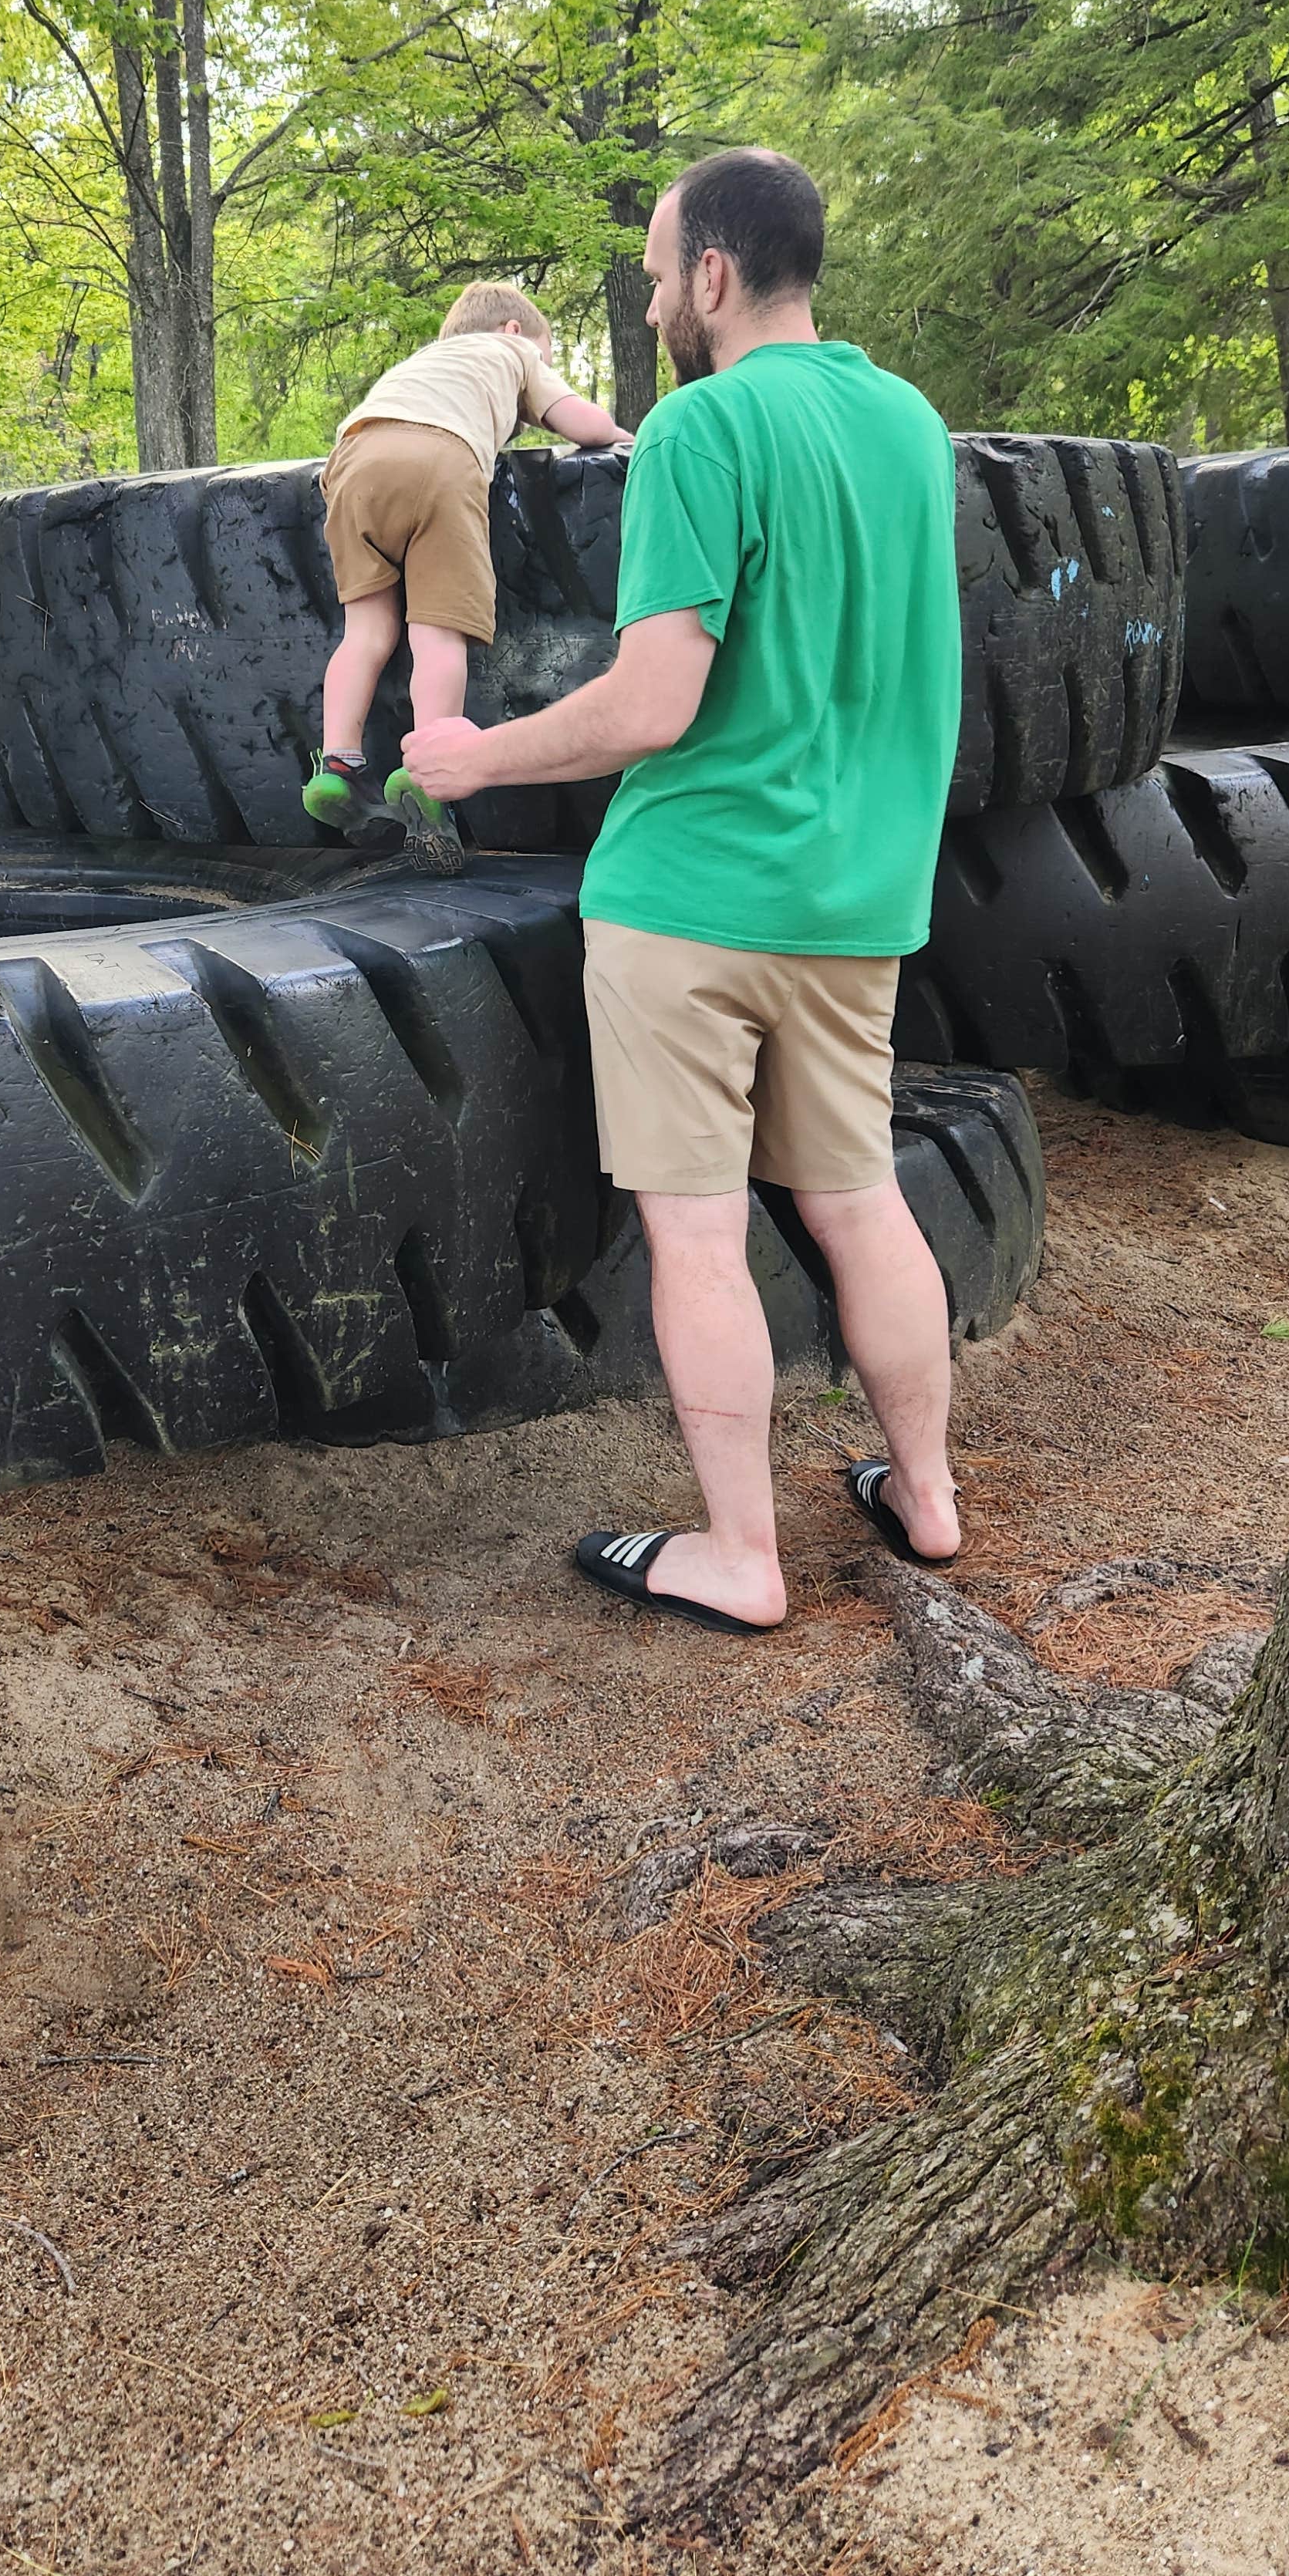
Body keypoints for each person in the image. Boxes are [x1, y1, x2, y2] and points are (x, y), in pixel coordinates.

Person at [400, 150, 962, 1633]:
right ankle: (927, 1496)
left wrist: (477, 755)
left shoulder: (698, 431)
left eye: (658, 273)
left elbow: (652, 703)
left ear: (712, 276)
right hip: (857, 903)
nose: (654, 299)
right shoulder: (907, 421)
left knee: (700, 1236)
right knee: (858, 1201)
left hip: (691, 900)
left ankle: (742, 1557)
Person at [303, 284, 633, 852]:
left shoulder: (421, 364)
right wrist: (623, 438)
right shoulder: (513, 353)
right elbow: (579, 422)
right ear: (513, 331)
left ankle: (337, 763)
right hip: (441, 460)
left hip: (352, 462)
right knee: (438, 635)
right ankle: (429, 769)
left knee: (366, 634)